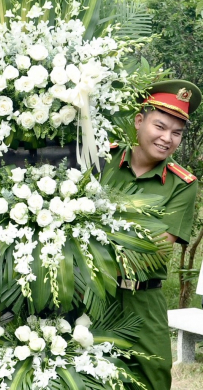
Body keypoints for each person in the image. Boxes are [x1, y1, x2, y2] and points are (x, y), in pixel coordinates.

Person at [100, 80, 200, 390]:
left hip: (143, 302)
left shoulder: (182, 184)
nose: (167, 138)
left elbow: (153, 253)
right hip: (91, 299)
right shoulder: (101, 161)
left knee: (151, 381)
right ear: (139, 121)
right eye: (160, 126)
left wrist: (91, 237)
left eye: (177, 133)